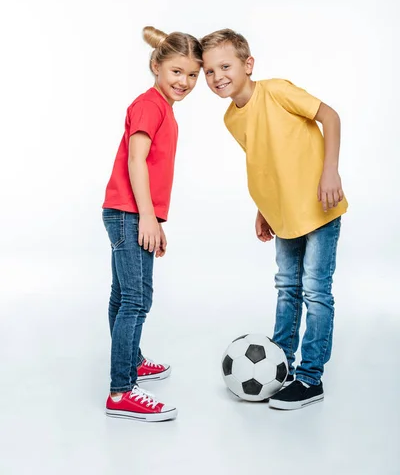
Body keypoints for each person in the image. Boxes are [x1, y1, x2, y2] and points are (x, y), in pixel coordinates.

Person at [201, 28, 348, 410]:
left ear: (248, 64)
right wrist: (263, 208)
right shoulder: (230, 119)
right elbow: (265, 161)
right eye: (209, 71)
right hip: (282, 215)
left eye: (225, 66)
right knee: (287, 288)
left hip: (319, 205)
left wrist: (330, 170)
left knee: (316, 291)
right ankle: (279, 367)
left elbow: (329, 117)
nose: (217, 77)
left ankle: (310, 378)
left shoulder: (277, 91)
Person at [102, 26, 202, 421]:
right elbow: (135, 160)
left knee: (122, 296)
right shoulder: (149, 105)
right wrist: (147, 217)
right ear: (156, 66)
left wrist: (154, 219)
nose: (185, 81)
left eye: (192, 74)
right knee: (136, 300)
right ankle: (121, 390)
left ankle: (132, 359)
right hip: (129, 212)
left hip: (133, 212)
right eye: (177, 71)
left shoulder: (163, 107)